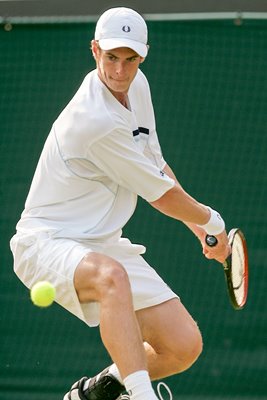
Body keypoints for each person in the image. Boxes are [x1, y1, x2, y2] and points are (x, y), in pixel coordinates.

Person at [10, 7, 230, 400]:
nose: (120, 70)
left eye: (130, 59)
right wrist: (213, 222)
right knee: (111, 277)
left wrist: (198, 229)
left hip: (102, 242)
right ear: (94, 51)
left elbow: (156, 166)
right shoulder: (94, 120)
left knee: (182, 345)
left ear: (142, 57)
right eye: (111, 57)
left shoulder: (138, 86)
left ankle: (94, 393)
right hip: (45, 244)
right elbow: (161, 198)